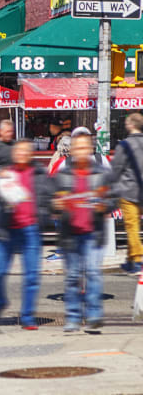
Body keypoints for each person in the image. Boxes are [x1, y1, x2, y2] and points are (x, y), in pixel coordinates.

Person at [52, 133, 115, 332]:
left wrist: (104, 205)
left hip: (93, 232)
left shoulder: (101, 174)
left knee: (94, 274)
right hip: (70, 234)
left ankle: (94, 315)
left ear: (90, 150)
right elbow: (52, 200)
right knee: (72, 276)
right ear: (71, 151)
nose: (80, 152)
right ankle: (72, 317)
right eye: (76, 148)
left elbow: (113, 198)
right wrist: (57, 205)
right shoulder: (63, 174)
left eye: (84, 148)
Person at [0, 139, 46, 329]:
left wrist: (44, 214)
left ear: (30, 154)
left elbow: (49, 197)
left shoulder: (39, 174)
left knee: (31, 276)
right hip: (6, 229)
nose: (20, 154)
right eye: (17, 151)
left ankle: (27, 316)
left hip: (30, 229)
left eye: (25, 151)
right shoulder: (5, 173)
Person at [110, 111, 143, 273]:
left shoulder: (124, 145)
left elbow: (117, 168)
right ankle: (130, 260)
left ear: (131, 125)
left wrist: (111, 187)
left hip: (129, 190)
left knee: (131, 226)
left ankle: (137, 258)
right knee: (134, 225)